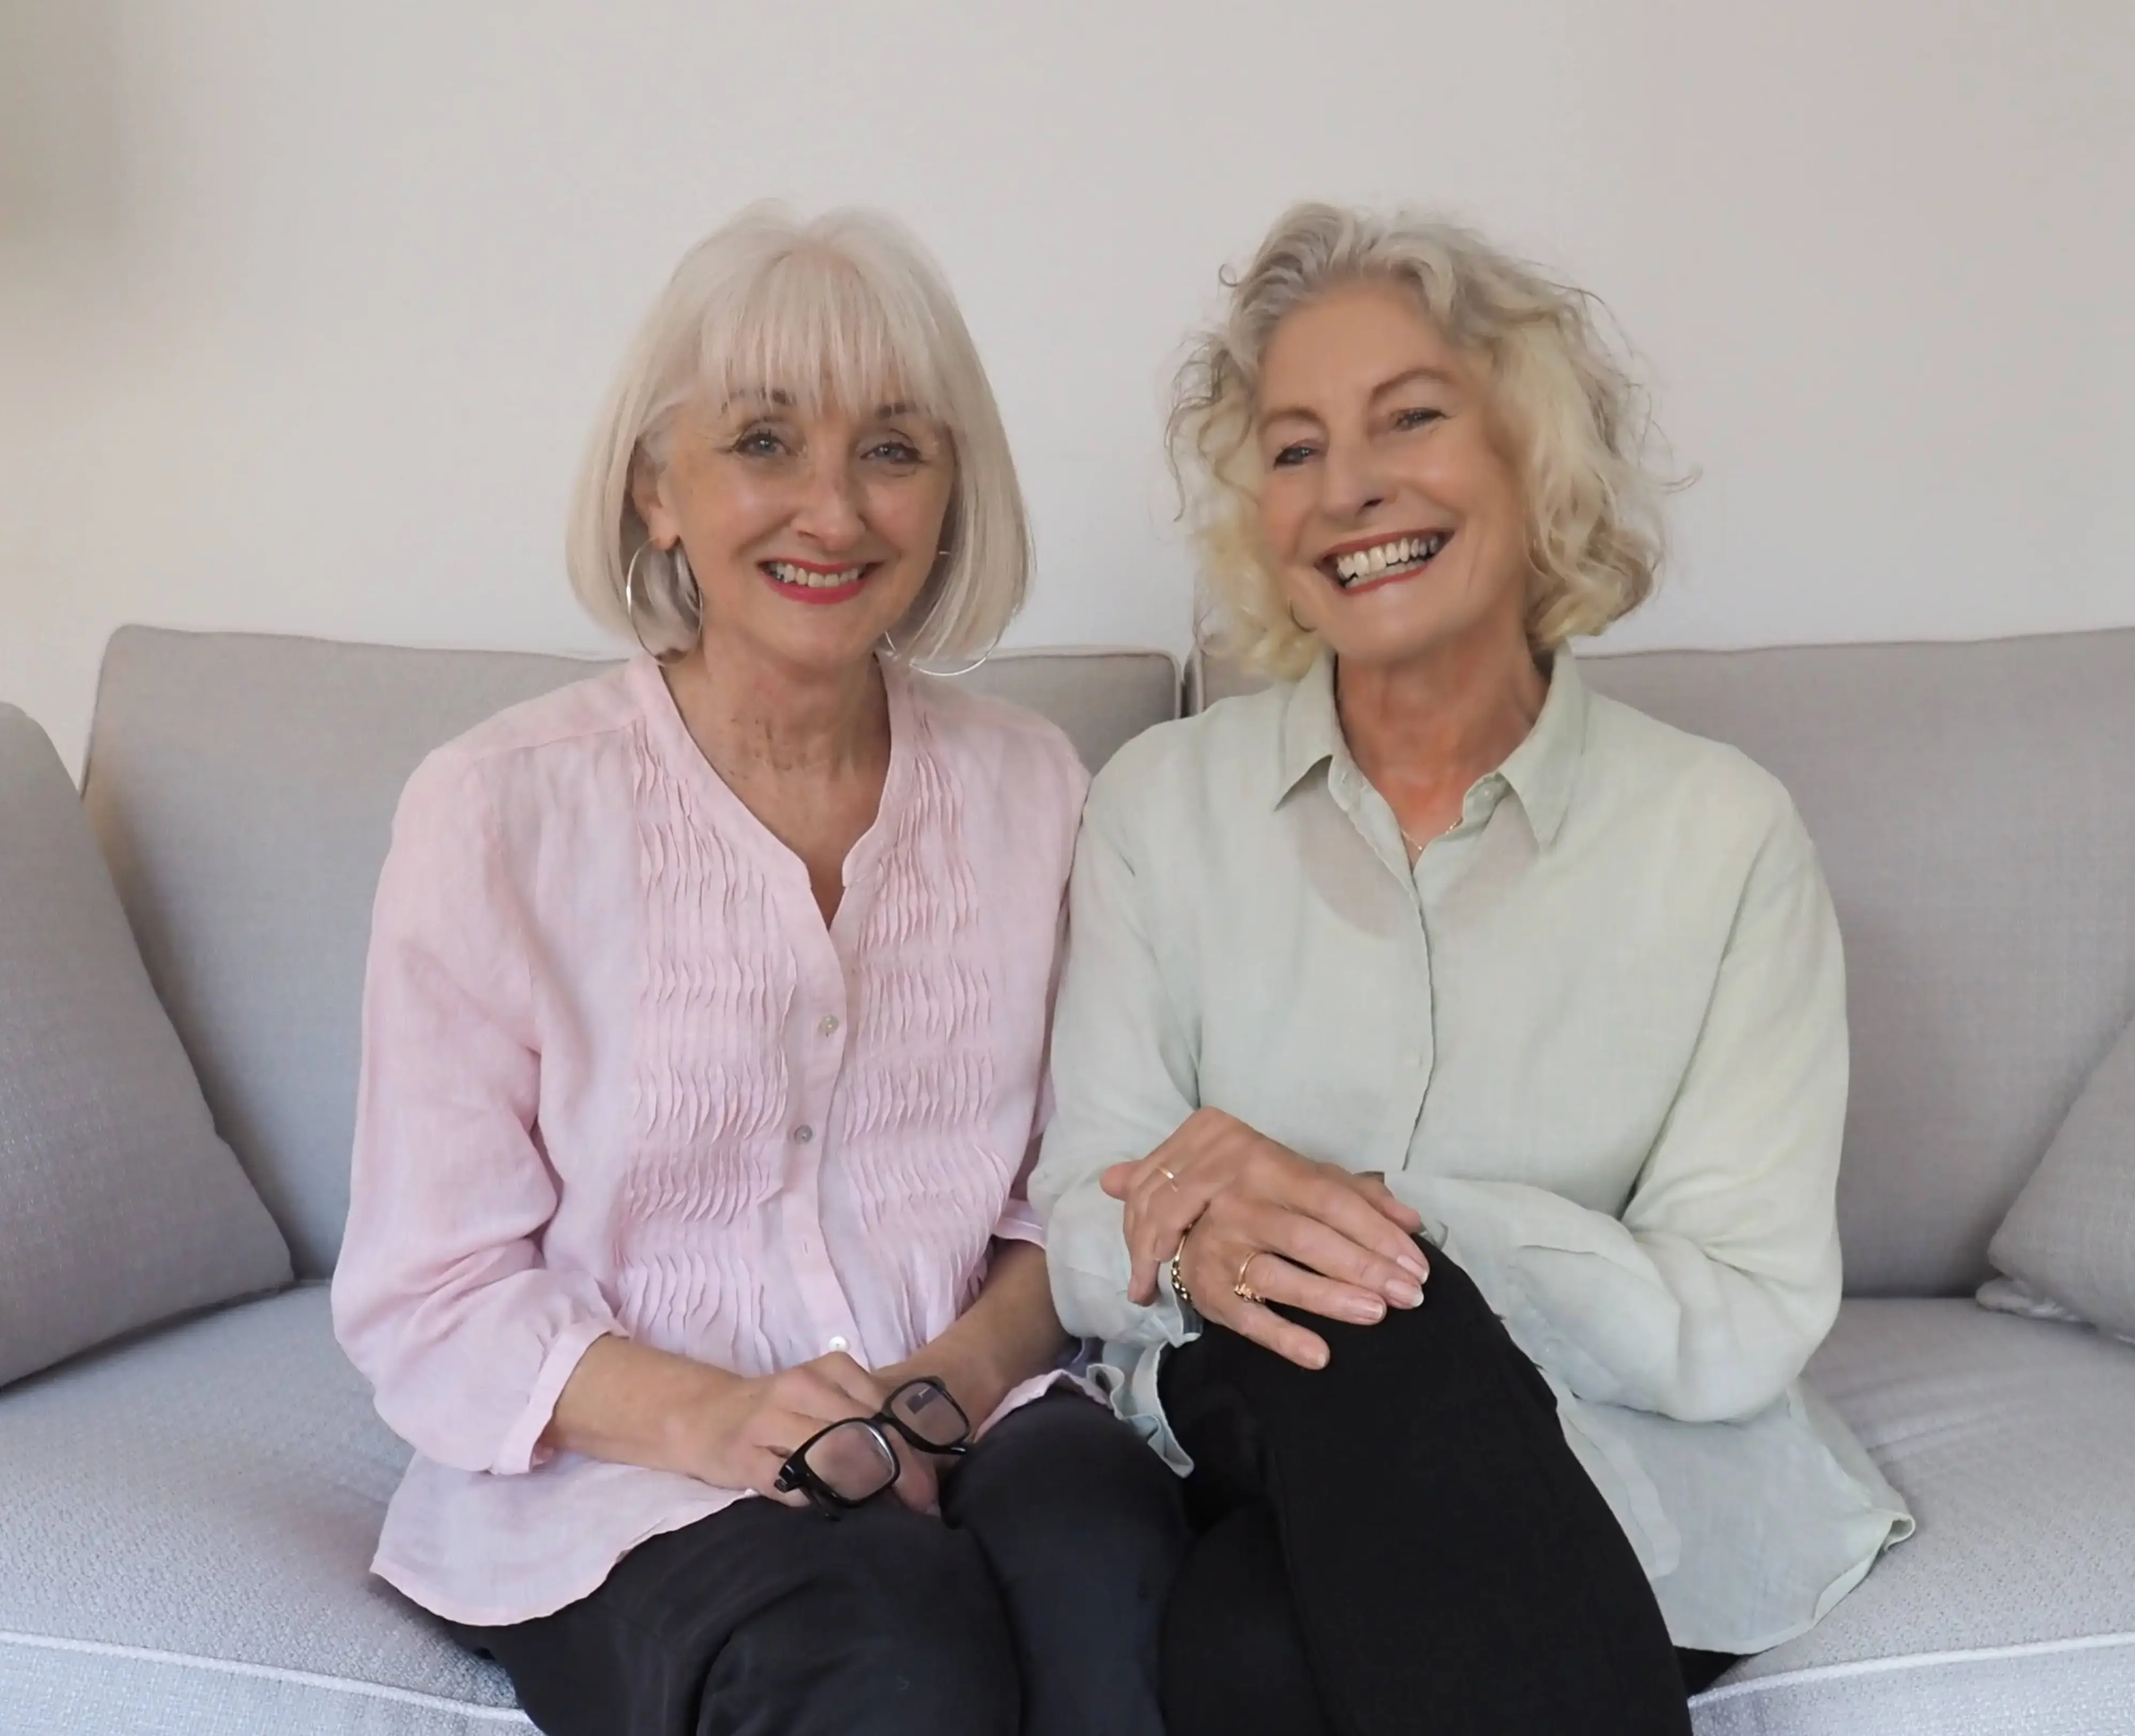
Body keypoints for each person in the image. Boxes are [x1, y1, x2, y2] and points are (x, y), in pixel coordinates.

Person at [1029, 203, 1912, 1736]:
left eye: (1411, 418)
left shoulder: (1721, 837)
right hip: (1255, 1425)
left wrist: (1378, 1229)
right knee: (1355, 1332)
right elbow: (1081, 1220)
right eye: (1294, 447)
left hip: (1612, 1473)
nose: (1348, 486)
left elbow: (1748, 1313)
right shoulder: (1158, 811)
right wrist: (1202, 1255)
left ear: (1531, 451)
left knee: (1248, 1642)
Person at [331, 205, 1185, 1736]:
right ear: (659, 489)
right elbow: (432, 1288)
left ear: (949, 500)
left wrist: (935, 1396)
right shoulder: (500, 808)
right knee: (888, 1648)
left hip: (981, 1402)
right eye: (766, 442)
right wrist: (736, 1422)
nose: (833, 511)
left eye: (894, 451)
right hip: (633, 1471)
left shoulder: (1036, 792)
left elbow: (1077, 1198)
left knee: (1115, 1567)